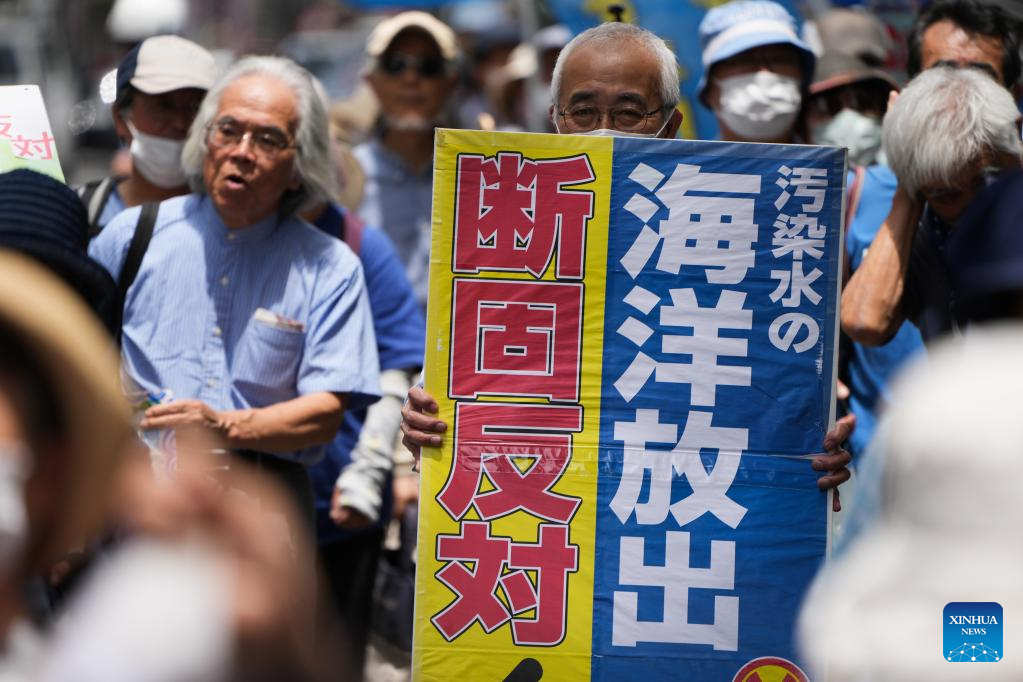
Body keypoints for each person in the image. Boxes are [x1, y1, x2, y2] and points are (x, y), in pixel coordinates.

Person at [401, 21, 853, 507]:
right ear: (556, 118)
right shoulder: (513, 234)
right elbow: (477, 360)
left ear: (672, 125)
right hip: (555, 504)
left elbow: (774, 381)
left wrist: (808, 441)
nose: (604, 129)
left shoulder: (737, 241)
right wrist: (428, 411)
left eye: (629, 112)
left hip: (687, 511)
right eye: (584, 111)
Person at [89, 55, 381, 526]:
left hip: (261, 507)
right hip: (136, 501)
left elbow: (325, 411)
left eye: (268, 139)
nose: (243, 151)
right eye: (228, 130)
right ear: (205, 142)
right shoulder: (131, 236)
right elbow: (79, 354)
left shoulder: (330, 266)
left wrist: (224, 426)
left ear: (297, 166)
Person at [840, 66, 1023, 345]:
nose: (975, 207)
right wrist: (907, 190)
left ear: (1016, 133)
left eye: (985, 180)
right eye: (948, 195)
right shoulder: (929, 229)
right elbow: (865, 321)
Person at [356, 12, 460, 310]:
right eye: (395, 65)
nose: (411, 78)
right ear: (371, 81)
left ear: (450, 83)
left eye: (428, 67)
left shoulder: (481, 176)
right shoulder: (346, 180)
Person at [78, 35, 216, 232]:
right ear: (120, 119)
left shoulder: (231, 222)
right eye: (163, 106)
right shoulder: (82, 214)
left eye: (195, 108)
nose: (179, 123)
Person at [696, 0, 816, 144]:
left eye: (780, 58)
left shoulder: (835, 166)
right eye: (744, 59)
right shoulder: (685, 167)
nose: (764, 72)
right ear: (710, 89)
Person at [807, 52, 897, 168]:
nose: (847, 116)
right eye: (828, 106)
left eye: (864, 102)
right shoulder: (785, 182)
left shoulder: (906, 179)